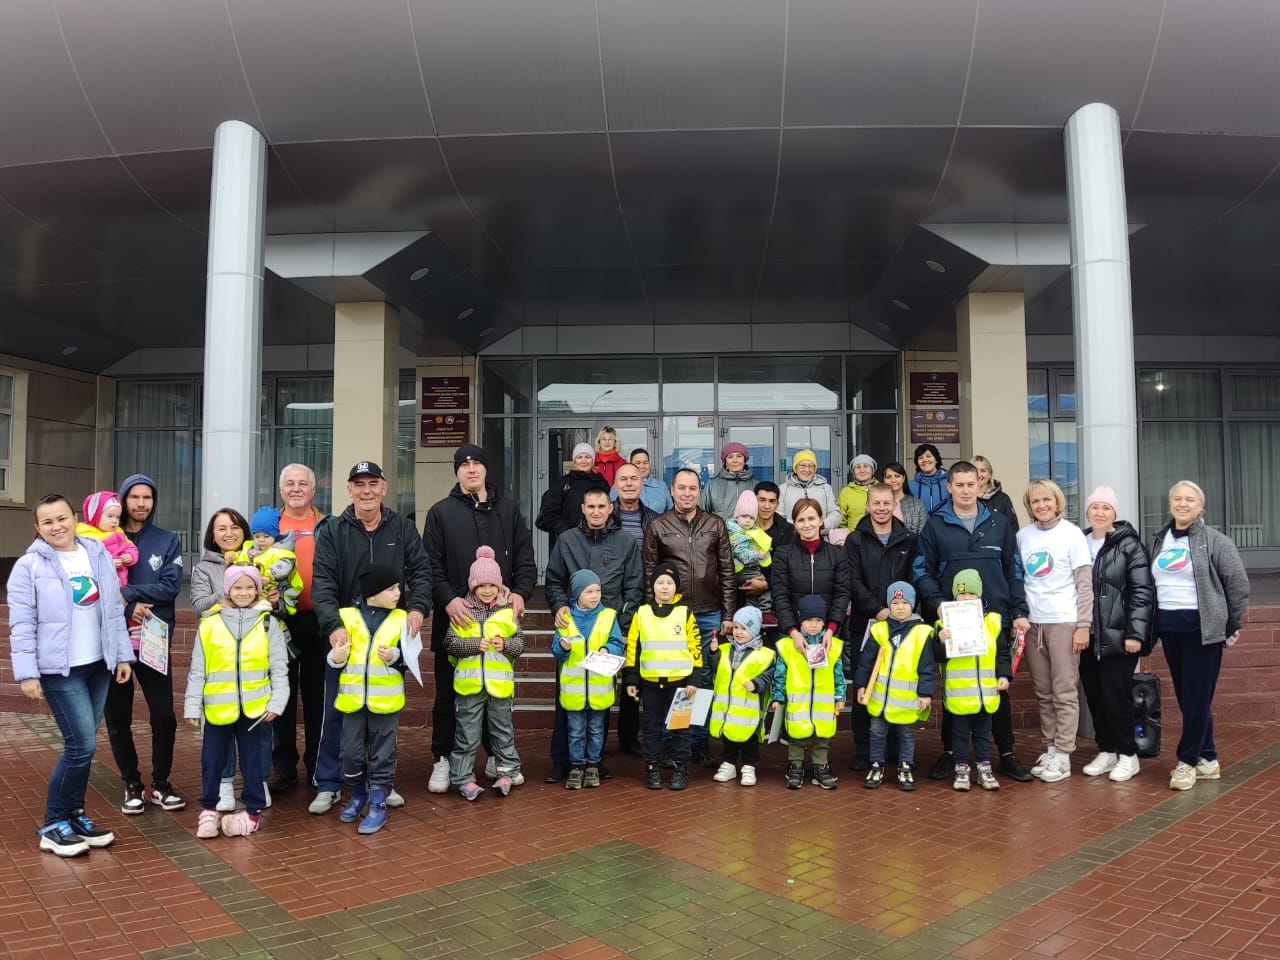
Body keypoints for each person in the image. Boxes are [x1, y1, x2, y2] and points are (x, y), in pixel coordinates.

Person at [8, 494, 134, 857]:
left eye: (62, 518)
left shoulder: (96, 553)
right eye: (47, 522)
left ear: (75, 518)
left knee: (83, 747)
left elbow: (113, 611)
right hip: (59, 670)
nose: (56, 527)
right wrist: (27, 674)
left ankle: (74, 817)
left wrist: (122, 655)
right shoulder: (29, 566)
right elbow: (22, 623)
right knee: (81, 747)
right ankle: (53, 825)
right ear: (37, 527)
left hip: (98, 665)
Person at [312, 460, 432, 803]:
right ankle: (329, 784)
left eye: (373, 484)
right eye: (359, 484)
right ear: (349, 490)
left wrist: (418, 607)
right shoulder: (333, 531)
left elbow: (421, 571)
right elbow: (322, 582)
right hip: (347, 639)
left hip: (387, 640)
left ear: (384, 488)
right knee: (337, 713)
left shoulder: (403, 529)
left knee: (382, 720)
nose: (367, 491)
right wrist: (333, 626)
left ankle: (381, 784)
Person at [423, 444, 536, 795]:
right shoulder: (440, 513)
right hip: (456, 621)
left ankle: (495, 756)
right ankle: (444, 758)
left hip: (499, 622)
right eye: (464, 465)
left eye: (477, 463)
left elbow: (525, 558)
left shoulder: (508, 509)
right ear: (457, 471)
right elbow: (430, 565)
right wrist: (448, 599)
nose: (471, 469)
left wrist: (521, 592)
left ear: (486, 469)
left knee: (496, 697)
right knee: (449, 697)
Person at [914, 460, 1032, 783]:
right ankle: (952, 754)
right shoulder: (935, 525)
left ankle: (1006, 753)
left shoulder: (999, 523)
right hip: (954, 621)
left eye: (972, 484)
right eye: (960, 485)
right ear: (949, 487)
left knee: (997, 687)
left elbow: (1014, 569)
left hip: (994, 620)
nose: (966, 490)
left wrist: (1019, 611)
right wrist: (937, 605)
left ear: (980, 485)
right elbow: (922, 571)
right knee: (955, 687)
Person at [1150, 481, 1249, 791]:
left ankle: (1187, 761)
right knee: (1189, 697)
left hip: (1202, 631)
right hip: (1169, 629)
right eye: (1177, 498)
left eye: (1189, 499)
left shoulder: (1216, 541)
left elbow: (1238, 586)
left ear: (1200, 506)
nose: (1182, 503)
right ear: (1170, 504)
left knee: (1195, 698)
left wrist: (1229, 625)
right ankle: (1208, 758)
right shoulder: (1160, 539)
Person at [544, 487, 642, 779]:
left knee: (600, 699)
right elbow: (554, 580)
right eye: (591, 506)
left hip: (606, 631)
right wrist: (560, 606)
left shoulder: (625, 541)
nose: (596, 511)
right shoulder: (566, 540)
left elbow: (634, 586)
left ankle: (594, 762)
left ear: (610, 508)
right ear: (583, 509)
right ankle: (563, 761)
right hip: (573, 629)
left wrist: (621, 626)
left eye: (602, 506)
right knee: (568, 697)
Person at [184, 565, 288, 839]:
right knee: (212, 760)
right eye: (237, 587)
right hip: (217, 707)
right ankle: (209, 810)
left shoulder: (268, 624)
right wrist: (192, 705)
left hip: (256, 710)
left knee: (254, 763)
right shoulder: (209, 624)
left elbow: (279, 668)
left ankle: (253, 813)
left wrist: (277, 702)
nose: (243, 593)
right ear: (228, 590)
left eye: (249, 587)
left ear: (257, 590)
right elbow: (198, 669)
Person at [642, 468, 735, 768]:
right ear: (672, 490)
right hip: (670, 615)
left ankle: (698, 742)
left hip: (708, 613)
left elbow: (727, 571)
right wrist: (654, 613)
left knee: (702, 680)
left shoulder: (715, 524)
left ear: (700, 491)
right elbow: (649, 574)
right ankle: (670, 742)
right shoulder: (658, 525)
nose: (687, 493)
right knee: (669, 677)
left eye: (692, 488)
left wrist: (728, 613)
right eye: (681, 488)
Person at [104, 473, 185, 815]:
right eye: (134, 497)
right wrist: (125, 607)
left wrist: (128, 594)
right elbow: (94, 588)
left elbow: (171, 587)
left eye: (147, 497)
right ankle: (132, 784)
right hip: (113, 640)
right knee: (117, 717)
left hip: (152, 637)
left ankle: (161, 784)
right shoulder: (102, 539)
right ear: (123, 500)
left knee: (164, 716)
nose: (141, 503)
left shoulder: (167, 540)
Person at [191, 507, 270, 813]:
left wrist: (271, 599)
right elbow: (199, 604)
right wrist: (226, 596)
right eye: (221, 528)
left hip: (255, 654)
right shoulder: (203, 568)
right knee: (222, 722)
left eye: (235, 527)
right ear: (212, 535)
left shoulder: (260, 559)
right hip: (221, 655)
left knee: (258, 722)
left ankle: (259, 781)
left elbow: (270, 603)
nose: (228, 533)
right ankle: (224, 782)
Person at [1017, 478, 1094, 783]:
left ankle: (1063, 754)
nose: (1042, 505)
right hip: (1034, 624)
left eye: (1047, 499)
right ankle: (1050, 748)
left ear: (1058, 501)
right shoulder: (1023, 536)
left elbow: (1084, 585)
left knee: (1064, 691)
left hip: (1064, 621)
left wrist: (1083, 625)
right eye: (1035, 501)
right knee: (1043, 691)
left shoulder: (1072, 535)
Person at [269, 464, 337, 807]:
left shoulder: (328, 525)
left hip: (320, 621)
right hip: (279, 623)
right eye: (290, 483)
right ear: (282, 489)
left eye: (303, 484)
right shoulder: (268, 526)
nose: (296, 489)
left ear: (313, 490)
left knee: (317, 697)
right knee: (280, 695)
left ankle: (316, 765)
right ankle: (282, 767)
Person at [1079, 486, 1154, 783]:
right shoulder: (1079, 541)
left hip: (1119, 636)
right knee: (1095, 696)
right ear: (1087, 511)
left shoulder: (1130, 546)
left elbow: (1142, 592)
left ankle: (1128, 755)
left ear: (1115, 513)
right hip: (1086, 635)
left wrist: (1135, 634)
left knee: (1116, 696)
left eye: (1106, 508)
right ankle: (1107, 749)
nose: (1100, 512)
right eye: (1095, 507)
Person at [844, 483, 917, 770]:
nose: (882, 508)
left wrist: (902, 610)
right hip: (866, 623)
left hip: (902, 624)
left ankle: (897, 747)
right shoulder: (855, 540)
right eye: (876, 503)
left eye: (887, 503)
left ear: (894, 505)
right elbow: (852, 580)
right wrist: (878, 609)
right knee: (865, 681)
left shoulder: (909, 539)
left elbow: (914, 577)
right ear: (867, 505)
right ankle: (864, 747)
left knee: (897, 680)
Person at [329, 564, 407, 834]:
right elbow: (335, 656)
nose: (398, 593)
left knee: (383, 755)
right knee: (350, 754)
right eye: (391, 588)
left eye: (398, 588)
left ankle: (378, 804)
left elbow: (410, 659)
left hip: (386, 703)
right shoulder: (346, 617)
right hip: (352, 702)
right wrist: (336, 658)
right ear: (373, 593)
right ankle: (358, 793)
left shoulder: (401, 618)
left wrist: (395, 657)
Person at [443, 547, 525, 801]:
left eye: (492, 585)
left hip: (500, 687)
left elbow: (520, 643)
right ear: (473, 586)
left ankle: (508, 772)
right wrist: (473, 645)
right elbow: (450, 643)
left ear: (499, 585)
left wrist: (506, 645)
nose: (487, 590)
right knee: (466, 734)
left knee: (502, 731)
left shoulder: (507, 612)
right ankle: (462, 778)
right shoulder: (463, 611)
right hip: (469, 687)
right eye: (481, 585)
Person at [623, 562, 704, 791]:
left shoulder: (685, 613)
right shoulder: (642, 613)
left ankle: (680, 769)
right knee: (652, 727)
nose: (665, 587)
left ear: (676, 587)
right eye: (660, 582)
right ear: (653, 586)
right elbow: (633, 648)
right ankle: (652, 767)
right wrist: (631, 678)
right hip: (650, 683)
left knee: (681, 728)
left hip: (681, 684)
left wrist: (694, 680)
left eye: (670, 583)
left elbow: (696, 647)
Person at [854, 582, 935, 791]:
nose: (900, 607)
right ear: (889, 605)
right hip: (880, 697)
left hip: (907, 699)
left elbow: (927, 667)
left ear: (912, 605)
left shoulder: (922, 632)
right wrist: (861, 685)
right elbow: (866, 661)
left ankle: (905, 766)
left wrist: (925, 693)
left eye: (905, 603)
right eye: (895, 603)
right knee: (876, 732)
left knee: (906, 734)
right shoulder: (879, 629)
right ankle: (876, 765)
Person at [552, 569, 625, 790]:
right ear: (577, 594)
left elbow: (617, 642)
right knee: (575, 732)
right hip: (574, 691)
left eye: (598, 590)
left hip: (598, 689)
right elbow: (557, 651)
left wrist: (607, 648)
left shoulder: (608, 616)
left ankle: (593, 764)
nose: (595, 596)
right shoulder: (566, 618)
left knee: (596, 730)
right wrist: (563, 647)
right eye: (589, 591)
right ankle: (577, 766)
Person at [936, 571, 1009, 792]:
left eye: (971, 593)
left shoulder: (992, 622)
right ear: (954, 597)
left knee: (983, 734)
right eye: (962, 593)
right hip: (959, 694)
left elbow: (1002, 653)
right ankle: (962, 768)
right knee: (959, 734)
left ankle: (984, 768)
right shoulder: (943, 625)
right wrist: (941, 641)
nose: (966, 598)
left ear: (979, 595)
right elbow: (938, 657)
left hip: (985, 694)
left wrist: (1004, 675)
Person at [772, 594, 846, 790]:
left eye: (818, 620)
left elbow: (838, 674)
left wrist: (840, 697)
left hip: (823, 705)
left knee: (822, 738)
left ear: (824, 622)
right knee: (796, 736)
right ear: (800, 621)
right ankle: (795, 766)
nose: (814, 625)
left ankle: (821, 766)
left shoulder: (833, 646)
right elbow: (780, 673)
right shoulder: (788, 646)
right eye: (809, 620)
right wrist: (778, 696)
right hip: (799, 703)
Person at [771, 500, 850, 674]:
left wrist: (831, 629)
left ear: (821, 520)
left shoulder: (837, 554)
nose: (807, 525)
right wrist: (793, 631)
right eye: (801, 520)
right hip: (793, 634)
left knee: (825, 681)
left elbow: (842, 594)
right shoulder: (783, 554)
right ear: (794, 523)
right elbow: (780, 595)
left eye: (811, 518)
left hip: (827, 634)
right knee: (794, 681)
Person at [708, 606, 774, 788]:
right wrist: (713, 653)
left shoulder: (764, 655)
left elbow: (769, 675)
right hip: (726, 709)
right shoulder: (724, 649)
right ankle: (729, 764)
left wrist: (757, 683)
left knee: (749, 740)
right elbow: (716, 668)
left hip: (748, 710)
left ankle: (749, 766)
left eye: (744, 628)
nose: (738, 632)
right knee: (728, 740)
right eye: (736, 627)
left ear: (755, 630)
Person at [537, 442, 609, 551]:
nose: (584, 461)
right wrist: (567, 534)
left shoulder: (602, 483)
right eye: (579, 457)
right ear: (574, 461)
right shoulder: (563, 483)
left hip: (598, 541)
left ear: (593, 460)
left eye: (587, 457)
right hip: (569, 544)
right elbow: (548, 512)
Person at [242, 506, 303, 616]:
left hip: (282, 594)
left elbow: (284, 567)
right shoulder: (251, 550)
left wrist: (269, 575)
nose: (261, 540)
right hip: (256, 596)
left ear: (275, 535)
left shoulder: (284, 551)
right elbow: (241, 563)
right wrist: (232, 558)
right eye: (256, 536)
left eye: (266, 536)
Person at [76, 491, 138, 587]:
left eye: (117, 517)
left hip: (120, 584)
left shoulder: (119, 533)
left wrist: (130, 556)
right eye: (110, 516)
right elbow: (84, 561)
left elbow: (131, 547)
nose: (114, 521)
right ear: (95, 515)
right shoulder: (84, 536)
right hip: (96, 586)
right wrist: (108, 563)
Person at [726, 491, 772, 612]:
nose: (748, 521)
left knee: (752, 594)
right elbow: (741, 553)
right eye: (744, 516)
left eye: (751, 518)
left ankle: (751, 611)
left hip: (752, 568)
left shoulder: (752, 530)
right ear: (736, 517)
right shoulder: (735, 533)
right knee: (763, 589)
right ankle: (765, 611)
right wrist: (758, 555)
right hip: (743, 569)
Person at [778, 449, 839, 532]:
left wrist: (822, 524)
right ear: (795, 468)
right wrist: (798, 527)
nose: (807, 469)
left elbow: (836, 514)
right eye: (803, 465)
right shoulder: (783, 489)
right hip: (792, 537)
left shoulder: (826, 488)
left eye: (811, 466)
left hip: (820, 536)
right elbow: (779, 516)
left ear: (815, 469)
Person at [701, 442, 755, 519]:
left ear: (744, 460)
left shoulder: (755, 484)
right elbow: (702, 514)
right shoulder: (712, 484)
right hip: (719, 527)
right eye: (730, 457)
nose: (735, 460)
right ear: (725, 462)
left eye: (739, 456)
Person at [612, 462, 659, 548]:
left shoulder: (655, 520)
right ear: (615, 485)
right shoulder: (602, 515)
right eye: (623, 479)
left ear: (642, 484)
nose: (629, 483)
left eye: (634, 478)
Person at [881, 462, 927, 535]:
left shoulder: (918, 504)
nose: (893, 480)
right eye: (889, 477)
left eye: (897, 476)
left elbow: (922, 535)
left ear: (903, 478)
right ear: (883, 480)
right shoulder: (875, 503)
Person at [973, 455, 1019, 526]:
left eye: (983, 471)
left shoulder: (1003, 499)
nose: (979, 474)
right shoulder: (964, 498)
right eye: (975, 471)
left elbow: (1013, 527)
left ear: (990, 475)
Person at [838, 454, 878, 530]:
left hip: (878, 535)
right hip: (854, 535)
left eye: (866, 466)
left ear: (872, 471)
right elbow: (841, 522)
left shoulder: (881, 489)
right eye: (858, 467)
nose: (862, 470)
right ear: (853, 473)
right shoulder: (846, 492)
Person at [628, 448, 673, 514]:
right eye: (638, 463)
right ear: (630, 465)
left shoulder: (661, 486)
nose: (642, 466)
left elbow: (671, 512)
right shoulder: (621, 486)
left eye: (645, 462)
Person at [909, 444, 950, 516]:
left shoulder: (949, 482)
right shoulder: (910, 486)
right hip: (920, 523)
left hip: (945, 522)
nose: (925, 460)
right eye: (920, 458)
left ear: (936, 460)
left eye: (928, 456)